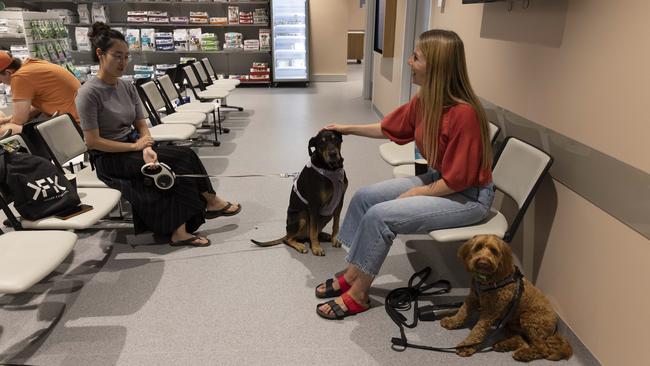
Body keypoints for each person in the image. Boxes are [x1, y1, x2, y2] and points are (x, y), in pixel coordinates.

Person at [315, 30, 495, 319]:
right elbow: (390, 127)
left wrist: (418, 192)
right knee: (364, 197)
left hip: (468, 196)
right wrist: (346, 128)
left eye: (417, 57)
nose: (409, 62)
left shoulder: (465, 114)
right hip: (444, 180)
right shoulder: (427, 100)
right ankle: (352, 273)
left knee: (381, 215)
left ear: (437, 67)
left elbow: (459, 180)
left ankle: (359, 294)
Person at [76, 23, 241, 246]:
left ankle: (207, 204)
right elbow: (93, 141)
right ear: (100, 54)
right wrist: (136, 148)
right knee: (173, 164)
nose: (123, 62)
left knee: (185, 156)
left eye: (126, 56)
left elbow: (140, 123)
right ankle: (183, 227)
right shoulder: (88, 93)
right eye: (117, 56)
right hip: (109, 158)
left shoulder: (126, 86)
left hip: (133, 147)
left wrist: (146, 147)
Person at [0, 51, 81, 136]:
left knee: (4, 131)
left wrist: (7, 123)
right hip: (82, 120)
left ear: (8, 72)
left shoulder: (20, 77)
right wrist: (5, 120)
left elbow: (19, 120)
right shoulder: (31, 64)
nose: (1, 83)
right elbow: (37, 108)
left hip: (74, 127)